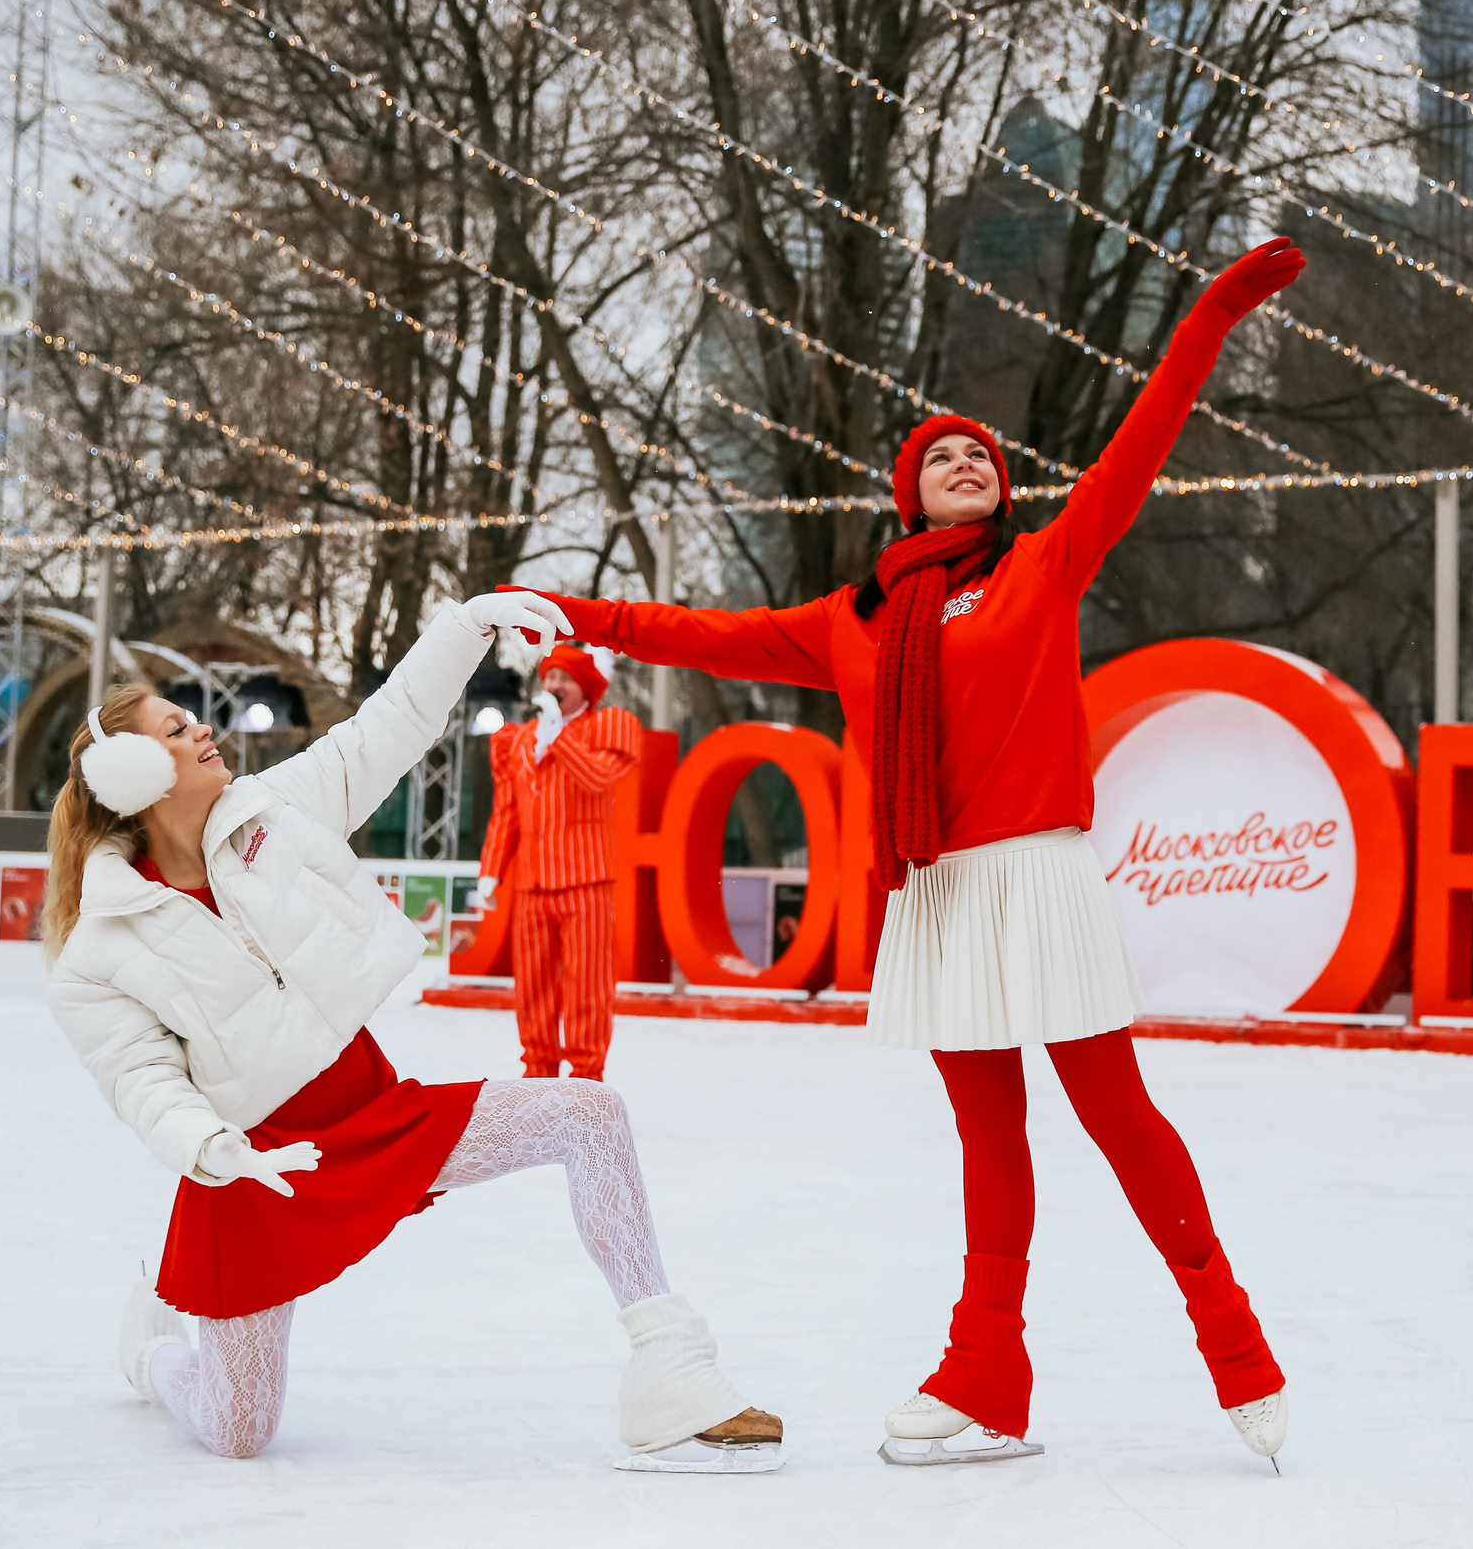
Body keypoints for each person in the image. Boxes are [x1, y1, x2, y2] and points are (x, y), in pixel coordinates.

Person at [519, 238, 1307, 1468]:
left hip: (1035, 874)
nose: (963, 461)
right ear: (907, 492)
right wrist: (575, 614)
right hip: (936, 890)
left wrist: (1208, 315)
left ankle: (1234, 1342)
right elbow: (703, 634)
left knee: (1118, 1117)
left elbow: (1146, 435)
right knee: (988, 1140)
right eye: (940, 454)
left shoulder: (1044, 564)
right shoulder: (858, 620)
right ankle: (987, 1374)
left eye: (981, 456)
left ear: (1001, 491)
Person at [42, 592, 781, 1471]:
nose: (203, 729)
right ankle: (154, 1352)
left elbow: (386, 726)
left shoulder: (275, 811)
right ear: (130, 773)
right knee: (241, 1430)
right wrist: (212, 1148)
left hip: (373, 1113)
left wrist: (470, 623)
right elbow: (141, 1079)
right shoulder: (99, 947)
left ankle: (671, 1367)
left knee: (589, 1114)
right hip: (257, 1170)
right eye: (173, 727)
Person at [475, 642, 641, 1079]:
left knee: (588, 986)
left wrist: (558, 735)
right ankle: (539, 1075)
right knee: (532, 989)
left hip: (587, 882)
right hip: (532, 885)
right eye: (549, 676)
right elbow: (507, 811)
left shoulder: (606, 726)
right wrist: (491, 872)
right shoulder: (518, 740)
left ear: (585, 688)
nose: (554, 684)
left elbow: (598, 779)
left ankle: (587, 1077)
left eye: (565, 677)